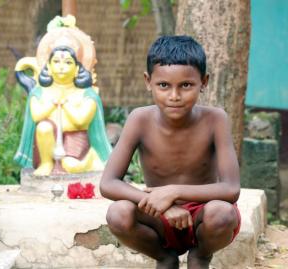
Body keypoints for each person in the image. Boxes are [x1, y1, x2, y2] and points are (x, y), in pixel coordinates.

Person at [100, 36, 241, 269]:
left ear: (203, 82)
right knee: (118, 213)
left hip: (201, 215)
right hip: (157, 214)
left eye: (185, 85)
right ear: (148, 82)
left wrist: (173, 192)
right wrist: (162, 204)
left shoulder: (216, 119)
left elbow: (231, 189)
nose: (174, 96)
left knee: (223, 213)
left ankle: (201, 256)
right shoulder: (139, 119)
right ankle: (165, 258)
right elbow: (108, 183)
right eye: (164, 85)